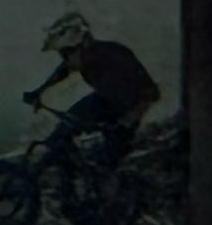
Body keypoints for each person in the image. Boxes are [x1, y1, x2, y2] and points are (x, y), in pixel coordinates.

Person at [23, 12, 160, 164]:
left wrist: (127, 121)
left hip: (126, 110)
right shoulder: (85, 58)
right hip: (103, 101)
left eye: (67, 53)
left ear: (84, 44)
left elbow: (150, 93)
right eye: (63, 55)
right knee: (66, 128)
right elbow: (64, 70)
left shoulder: (114, 56)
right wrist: (39, 91)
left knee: (111, 159)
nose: (65, 59)